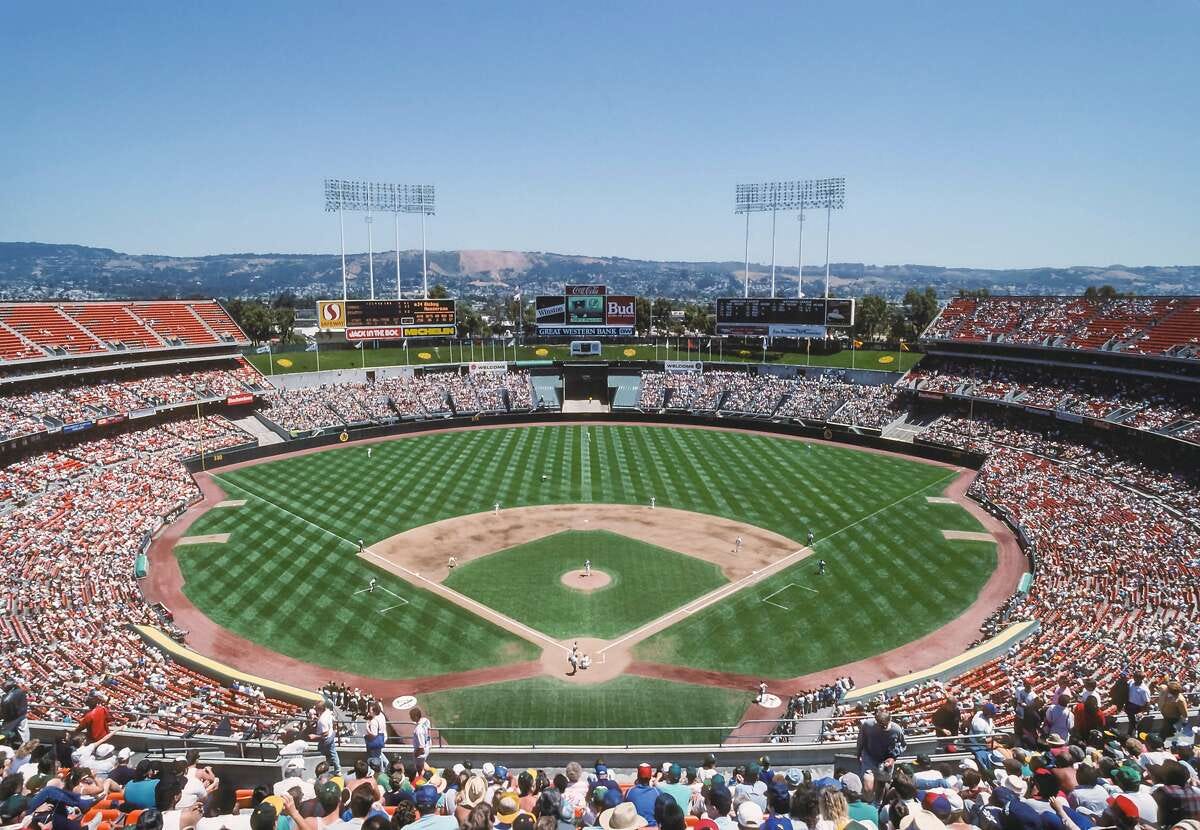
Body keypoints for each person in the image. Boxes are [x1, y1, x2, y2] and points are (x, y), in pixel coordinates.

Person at [856, 707, 907, 800]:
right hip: (870, 757)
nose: (883, 728)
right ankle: (869, 805)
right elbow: (861, 740)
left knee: (881, 786)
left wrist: (893, 757)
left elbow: (903, 745)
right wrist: (858, 753)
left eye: (885, 725)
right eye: (880, 725)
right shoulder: (867, 725)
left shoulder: (897, 730)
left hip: (886, 761)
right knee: (868, 787)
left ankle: (877, 805)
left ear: (890, 720)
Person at [309, 701, 339, 773]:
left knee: (320, 754)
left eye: (316, 708)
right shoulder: (327, 712)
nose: (315, 710)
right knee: (333, 753)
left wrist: (315, 736)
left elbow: (325, 733)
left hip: (325, 739)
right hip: (331, 736)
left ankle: (321, 771)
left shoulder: (322, 720)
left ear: (320, 709)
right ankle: (338, 770)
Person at [365, 701, 387, 772]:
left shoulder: (374, 721)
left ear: (374, 711)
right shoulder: (381, 715)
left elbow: (374, 734)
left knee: (375, 757)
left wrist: (367, 727)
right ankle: (387, 765)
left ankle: (380, 771)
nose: (369, 711)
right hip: (383, 737)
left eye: (370, 710)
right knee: (379, 754)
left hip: (376, 741)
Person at [409, 707, 431, 774]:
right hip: (428, 746)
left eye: (411, 716)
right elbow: (429, 730)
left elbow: (421, 748)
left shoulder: (418, 730)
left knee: (419, 769)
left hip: (421, 752)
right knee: (423, 763)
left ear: (416, 716)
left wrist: (416, 755)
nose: (410, 718)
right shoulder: (426, 720)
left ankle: (422, 779)